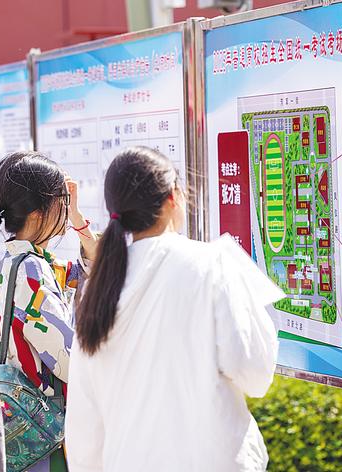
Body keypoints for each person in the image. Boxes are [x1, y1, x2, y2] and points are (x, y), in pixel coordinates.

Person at [66, 147, 284, 471]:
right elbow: (255, 374)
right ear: (173, 197)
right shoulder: (213, 264)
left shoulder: (98, 291)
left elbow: (84, 431)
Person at [0, 151, 97, 472]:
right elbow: (70, 360)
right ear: (38, 211)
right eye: (62, 201)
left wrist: (77, 218)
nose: (66, 208)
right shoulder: (33, 271)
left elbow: (95, 265)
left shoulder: (20, 259)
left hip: (22, 416)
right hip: (41, 427)